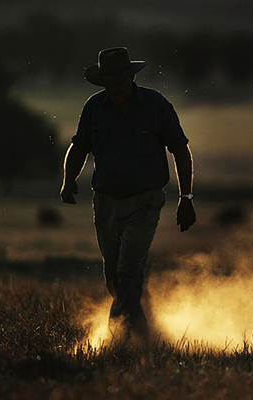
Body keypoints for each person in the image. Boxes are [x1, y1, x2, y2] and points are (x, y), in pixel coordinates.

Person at [60, 47, 196, 343]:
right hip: (106, 202)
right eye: (109, 84)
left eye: (120, 82)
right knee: (115, 278)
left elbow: (180, 150)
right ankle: (148, 339)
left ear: (132, 78)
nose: (115, 89)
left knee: (128, 271)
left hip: (145, 202)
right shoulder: (94, 107)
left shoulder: (156, 106)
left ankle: (113, 341)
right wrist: (69, 179)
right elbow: (79, 146)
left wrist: (186, 198)